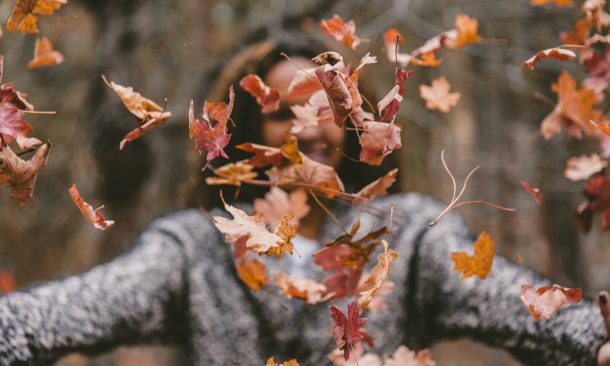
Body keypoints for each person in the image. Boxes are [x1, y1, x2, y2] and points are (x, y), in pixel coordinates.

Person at [0, 38, 609, 366]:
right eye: (282, 112)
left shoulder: (410, 234)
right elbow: (75, 309)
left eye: (325, 107)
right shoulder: (194, 248)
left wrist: (595, 338)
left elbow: (516, 307)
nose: (307, 127)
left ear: (351, 121)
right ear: (245, 134)